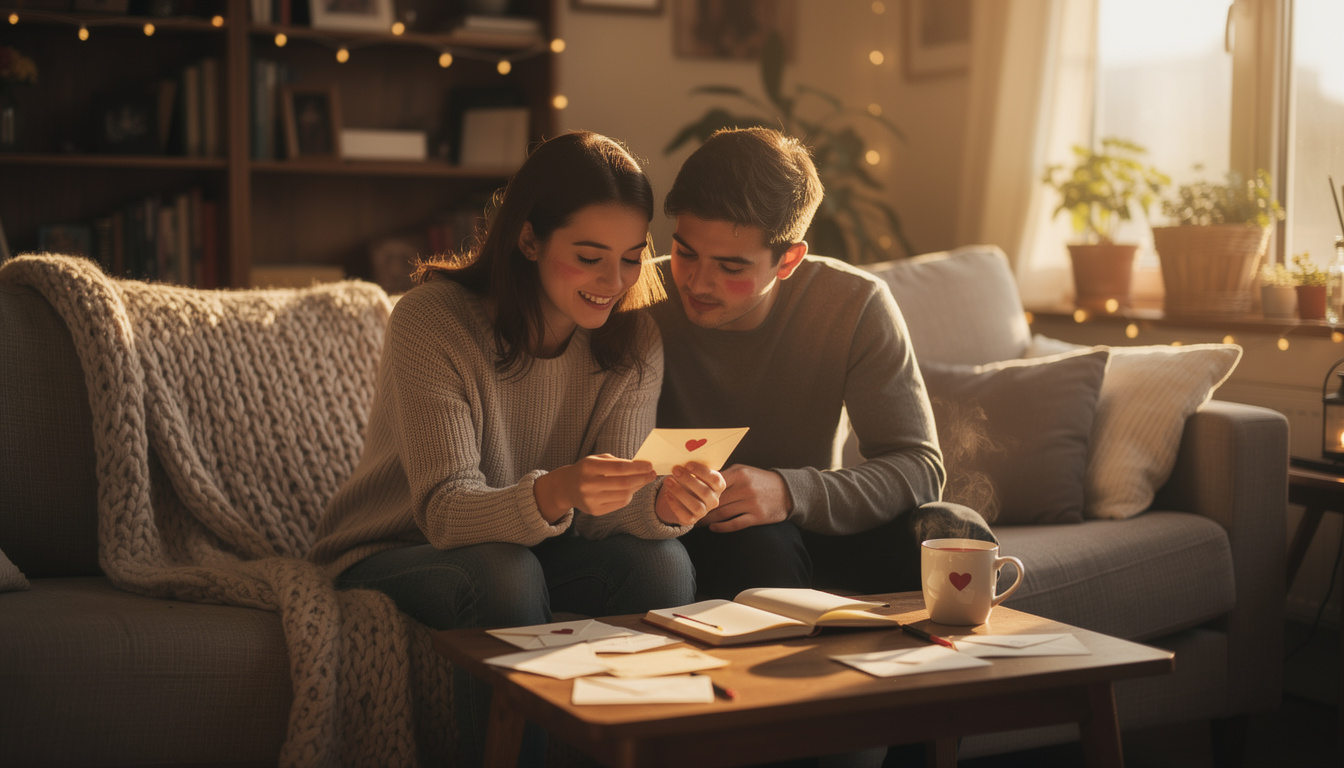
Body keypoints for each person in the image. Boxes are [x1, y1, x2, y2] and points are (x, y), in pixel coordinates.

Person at [309, 130, 725, 765]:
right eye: (589, 256)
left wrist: (665, 506)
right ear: (529, 238)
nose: (613, 282)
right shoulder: (433, 320)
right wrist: (556, 489)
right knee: (505, 570)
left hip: (539, 544)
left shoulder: (634, 339)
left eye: (631, 257)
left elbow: (606, 514)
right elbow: (446, 511)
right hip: (399, 546)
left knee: (661, 562)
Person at [650, 126, 995, 602]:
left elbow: (919, 466)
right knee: (757, 545)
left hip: (813, 521)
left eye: (731, 267)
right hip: (703, 532)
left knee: (954, 529)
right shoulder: (640, 297)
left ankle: (944, 673)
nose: (698, 283)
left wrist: (789, 493)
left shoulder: (853, 304)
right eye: (685, 253)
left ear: (788, 260)